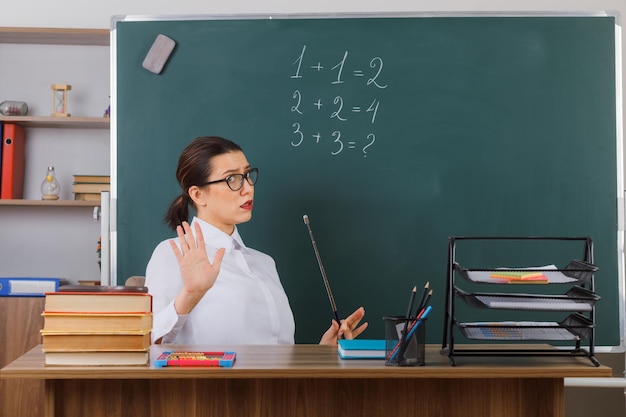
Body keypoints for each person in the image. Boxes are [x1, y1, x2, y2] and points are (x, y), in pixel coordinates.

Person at [145, 136, 367, 345]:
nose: (248, 187)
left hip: (274, 387)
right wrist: (190, 294)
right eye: (232, 179)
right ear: (198, 194)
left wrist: (320, 352)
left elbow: (275, 351)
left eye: (248, 175)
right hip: (211, 386)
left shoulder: (263, 263)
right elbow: (149, 341)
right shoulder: (173, 253)